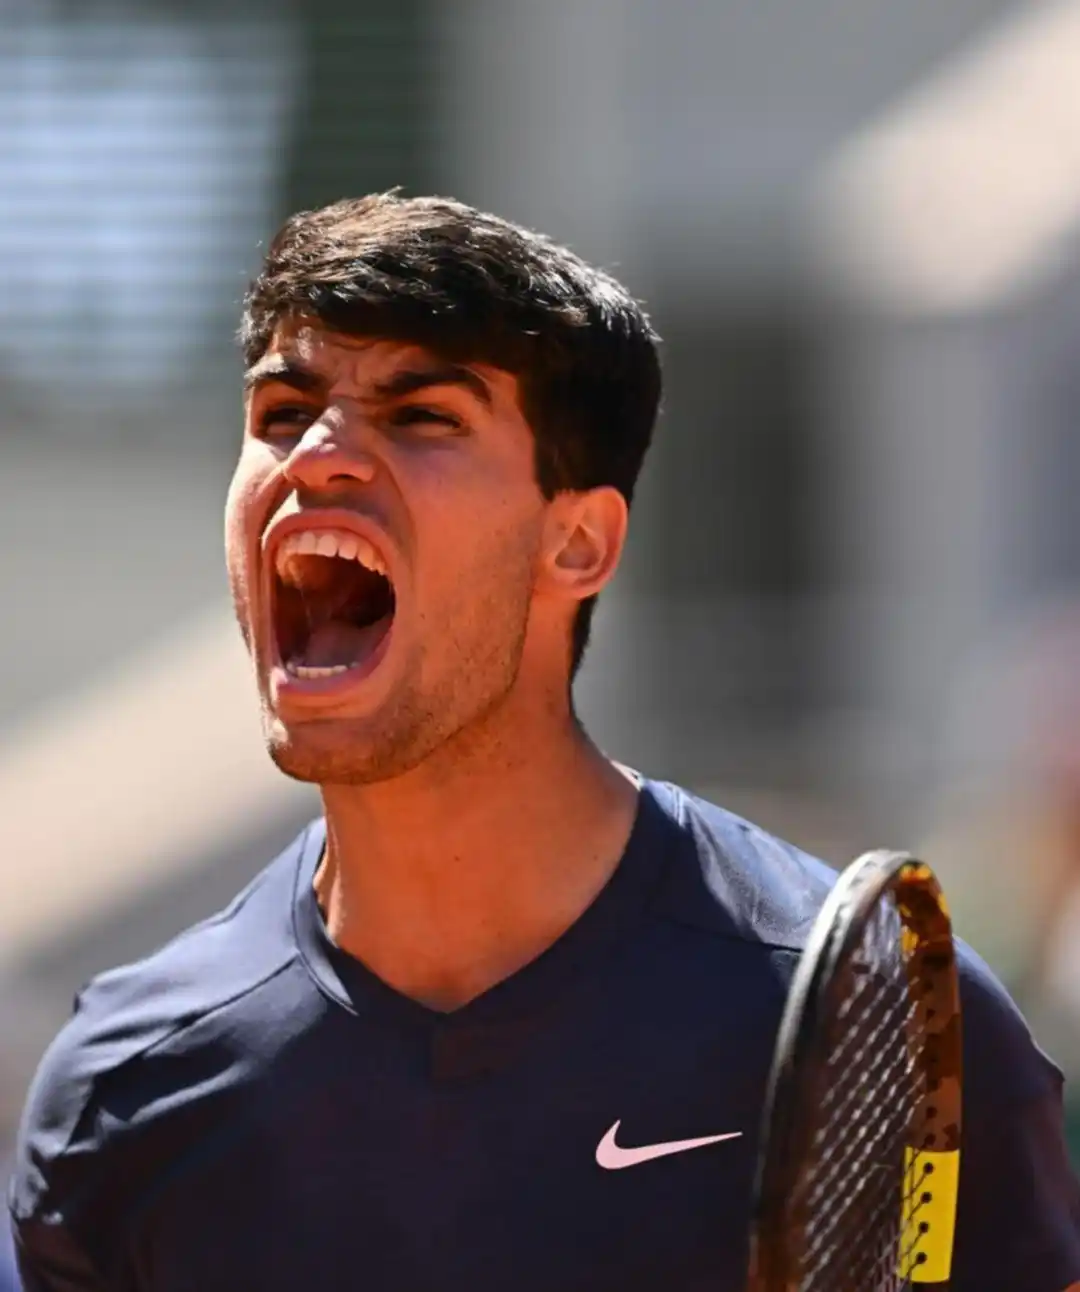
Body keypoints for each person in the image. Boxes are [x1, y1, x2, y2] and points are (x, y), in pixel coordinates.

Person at [7, 193, 1080, 1291]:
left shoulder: (879, 1033)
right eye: (282, 413)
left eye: (422, 416)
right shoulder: (122, 1088)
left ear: (578, 541)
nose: (318, 456)